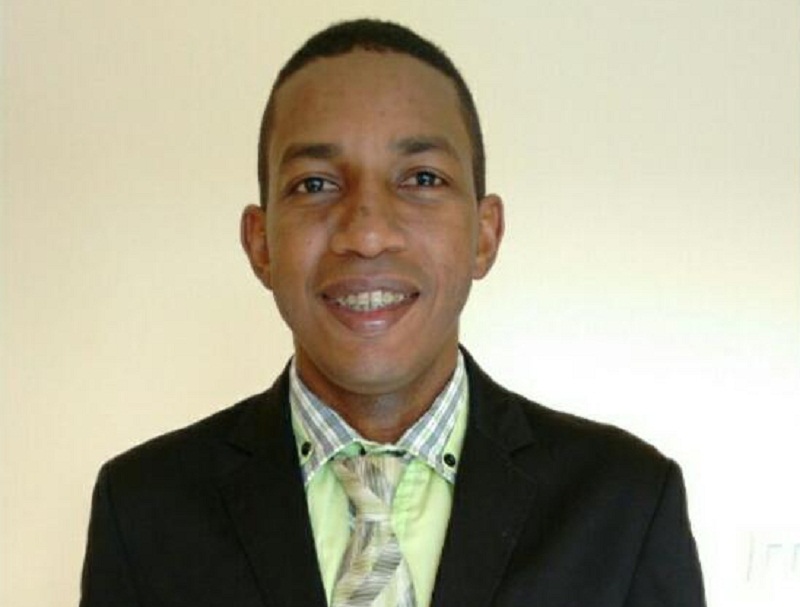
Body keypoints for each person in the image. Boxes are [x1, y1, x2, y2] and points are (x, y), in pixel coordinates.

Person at [80, 19, 705, 607]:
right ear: (260, 243)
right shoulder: (142, 509)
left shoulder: (625, 504)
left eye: (422, 179)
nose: (368, 234)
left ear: (485, 235)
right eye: (315, 184)